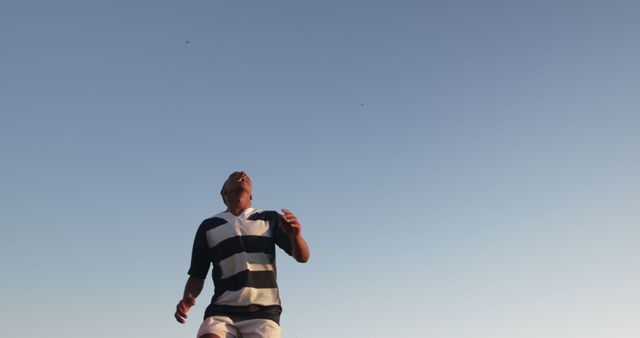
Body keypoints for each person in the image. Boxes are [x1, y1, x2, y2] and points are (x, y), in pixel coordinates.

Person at [174, 171, 310, 338]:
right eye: (235, 175)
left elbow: (303, 257)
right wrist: (188, 297)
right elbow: (197, 274)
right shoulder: (208, 227)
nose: (244, 174)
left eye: (247, 176)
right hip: (222, 310)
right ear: (224, 192)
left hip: (263, 312)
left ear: (251, 194)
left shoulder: (270, 218)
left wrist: (296, 237)